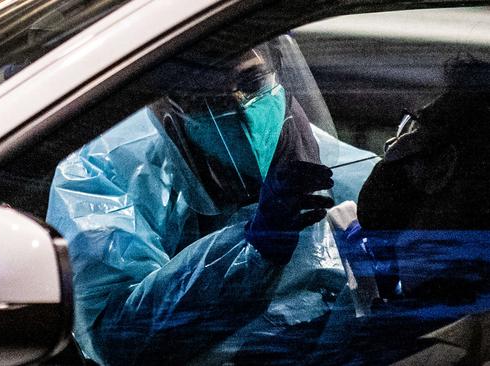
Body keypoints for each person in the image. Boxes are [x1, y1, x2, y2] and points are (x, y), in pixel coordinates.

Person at [46, 37, 374, 365]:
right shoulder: (106, 173)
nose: (240, 107)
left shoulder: (340, 172)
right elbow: (119, 340)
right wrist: (253, 250)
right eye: (207, 97)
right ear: (161, 106)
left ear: (276, 70)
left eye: (252, 81)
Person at [325, 55, 490, 364]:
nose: (391, 143)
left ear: (441, 166)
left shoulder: (431, 349)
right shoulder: (439, 312)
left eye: (414, 126)